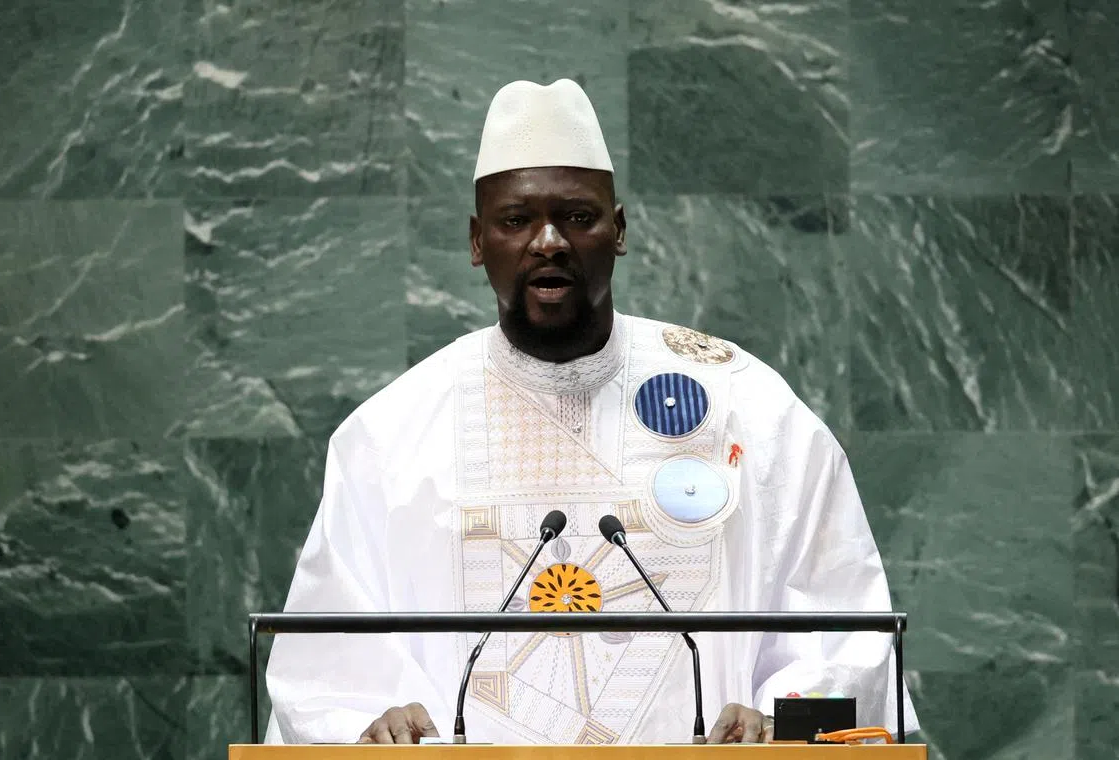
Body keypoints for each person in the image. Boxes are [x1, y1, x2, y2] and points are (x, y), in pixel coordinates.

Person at [264, 78, 917, 746]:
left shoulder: (743, 407)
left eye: (578, 217)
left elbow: (847, 638)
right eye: (516, 220)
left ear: (620, 230)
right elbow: (324, 676)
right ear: (476, 241)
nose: (549, 242)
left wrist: (783, 724)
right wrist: (374, 726)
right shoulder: (392, 437)